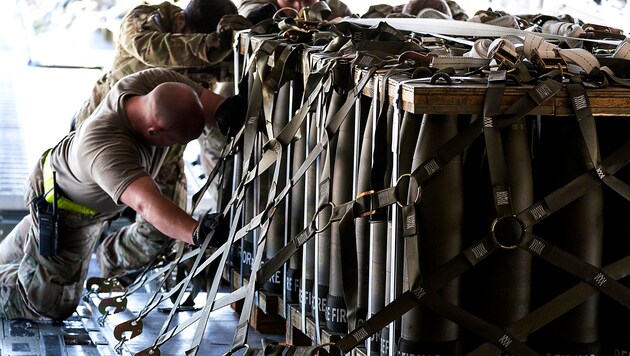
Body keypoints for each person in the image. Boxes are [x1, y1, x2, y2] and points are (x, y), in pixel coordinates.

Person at [0, 67, 244, 321]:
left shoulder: (153, 83)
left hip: (79, 189)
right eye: (175, 142)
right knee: (47, 304)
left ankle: (21, 251)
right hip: (63, 208)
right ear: (154, 131)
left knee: (40, 259)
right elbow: (147, 205)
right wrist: (198, 232)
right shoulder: (106, 148)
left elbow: (201, 97)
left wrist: (223, 109)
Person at [70, 0, 252, 278]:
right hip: (106, 138)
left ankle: (108, 260)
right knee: (90, 212)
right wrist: (210, 46)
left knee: (159, 230)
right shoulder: (144, 21)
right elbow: (152, 50)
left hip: (163, 150)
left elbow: (238, 66)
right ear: (180, 20)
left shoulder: (209, 50)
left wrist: (248, 35)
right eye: (194, 37)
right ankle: (84, 249)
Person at [238, 0, 352, 22]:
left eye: (307, 0)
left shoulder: (338, 9)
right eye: (290, 1)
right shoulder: (258, 3)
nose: (299, 7)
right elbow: (247, 11)